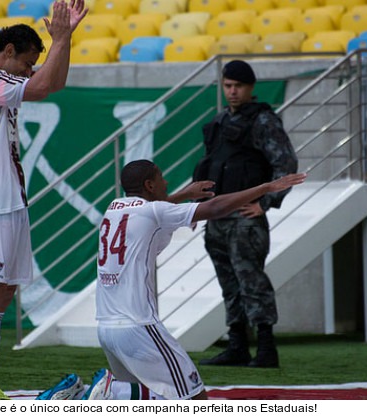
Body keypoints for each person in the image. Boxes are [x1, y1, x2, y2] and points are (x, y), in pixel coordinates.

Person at [37, 160, 306, 400]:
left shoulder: (114, 209)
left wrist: (183, 195)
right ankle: (111, 392)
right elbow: (213, 208)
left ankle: (78, 395)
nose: (165, 182)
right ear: (149, 185)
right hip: (138, 326)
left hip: (107, 328)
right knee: (194, 398)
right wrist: (266, 187)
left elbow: (155, 210)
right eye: (161, 178)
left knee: (148, 402)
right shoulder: (152, 212)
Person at [0, 0, 87, 400]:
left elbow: (53, 83)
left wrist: (64, 42)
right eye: (27, 61)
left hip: (9, 197)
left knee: (6, 291)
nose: (30, 70)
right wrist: (60, 39)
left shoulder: (3, 80)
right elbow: (44, 85)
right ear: (8, 51)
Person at [193, 60, 298, 368]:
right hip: (218, 217)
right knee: (229, 283)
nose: (233, 91)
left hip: (244, 219)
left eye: (238, 86)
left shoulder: (263, 120)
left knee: (252, 282)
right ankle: (237, 345)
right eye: (227, 86)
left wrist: (265, 203)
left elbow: (286, 164)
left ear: (250, 88)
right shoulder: (221, 120)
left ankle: (266, 348)